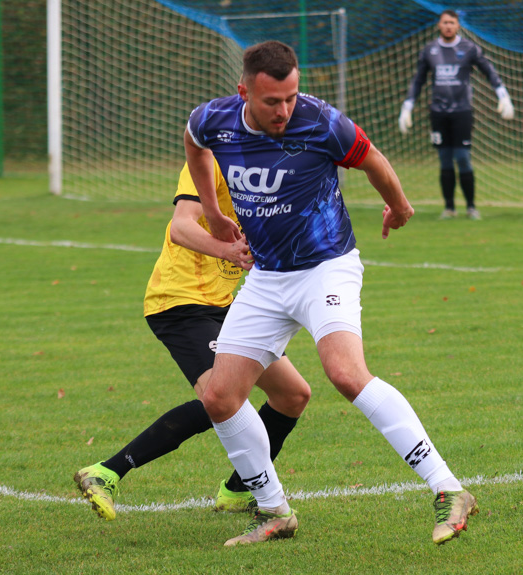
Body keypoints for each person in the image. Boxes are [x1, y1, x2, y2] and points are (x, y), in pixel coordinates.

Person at [184, 40, 478, 547]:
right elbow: (194, 142)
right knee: (219, 396)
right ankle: (274, 511)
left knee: (344, 373)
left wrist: (400, 207)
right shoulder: (214, 118)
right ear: (243, 92)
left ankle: (449, 489)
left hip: (326, 268)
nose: (284, 110)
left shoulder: (321, 121)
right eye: (272, 101)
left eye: (291, 97)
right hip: (267, 276)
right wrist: (210, 209)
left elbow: (374, 161)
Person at [73, 161, 311, 521]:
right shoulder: (211, 160)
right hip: (179, 301)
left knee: (292, 395)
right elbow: (181, 226)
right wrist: (227, 251)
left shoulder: (277, 171)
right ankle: (105, 472)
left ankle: (236, 490)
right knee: (223, 396)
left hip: (228, 304)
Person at [398, 9, 514, 220]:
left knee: (462, 158)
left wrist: (502, 95)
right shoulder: (430, 50)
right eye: (445, 22)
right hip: (438, 113)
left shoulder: (469, 48)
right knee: (444, 159)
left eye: (452, 22)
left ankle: (471, 207)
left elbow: (488, 70)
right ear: (439, 25)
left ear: (458, 25)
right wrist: (407, 106)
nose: (448, 26)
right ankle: (449, 208)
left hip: (462, 112)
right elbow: (418, 80)